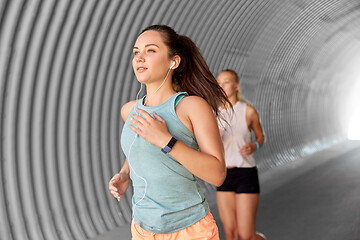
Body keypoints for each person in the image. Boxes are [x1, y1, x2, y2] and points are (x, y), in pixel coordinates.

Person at [108, 25, 231, 239]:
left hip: (190, 230)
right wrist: (125, 173)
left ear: (173, 61)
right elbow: (138, 146)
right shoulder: (129, 110)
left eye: (151, 50)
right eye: (136, 52)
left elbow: (217, 174)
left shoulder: (191, 106)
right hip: (143, 230)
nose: (139, 58)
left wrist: (166, 140)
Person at [216, 69, 266, 240]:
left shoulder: (248, 111)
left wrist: (255, 146)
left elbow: (260, 137)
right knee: (231, 233)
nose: (221, 85)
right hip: (224, 174)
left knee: (246, 236)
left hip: (246, 173)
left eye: (226, 82)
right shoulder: (213, 114)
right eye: (219, 82)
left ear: (236, 86)